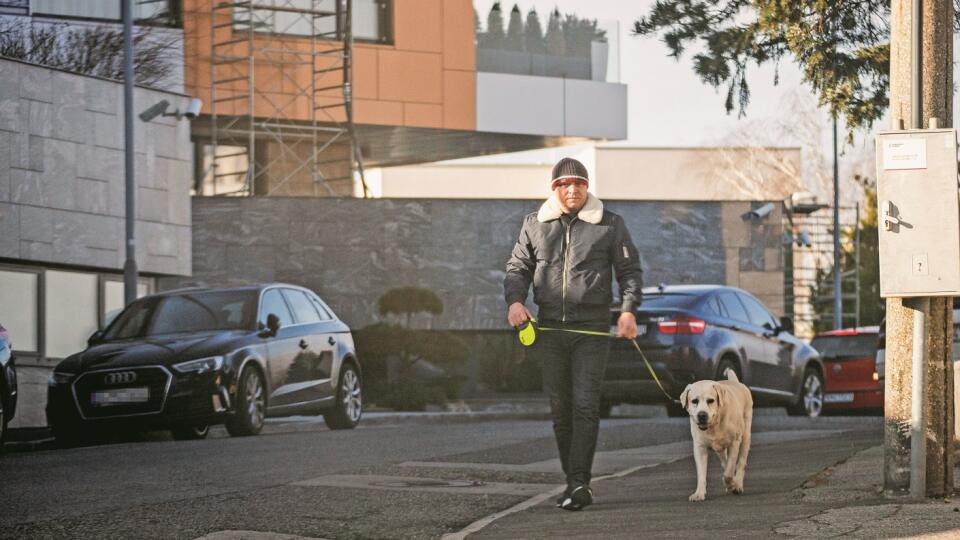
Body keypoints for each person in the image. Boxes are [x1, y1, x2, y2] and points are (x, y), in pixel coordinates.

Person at [504, 157, 643, 511]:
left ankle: (579, 483)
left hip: (591, 330)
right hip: (549, 329)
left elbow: (629, 270)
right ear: (555, 189)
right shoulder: (535, 225)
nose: (572, 190)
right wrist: (515, 302)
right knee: (560, 410)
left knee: (584, 406)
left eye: (579, 183)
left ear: (586, 187)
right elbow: (518, 267)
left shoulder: (609, 224)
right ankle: (574, 482)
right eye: (564, 184)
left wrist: (628, 309)